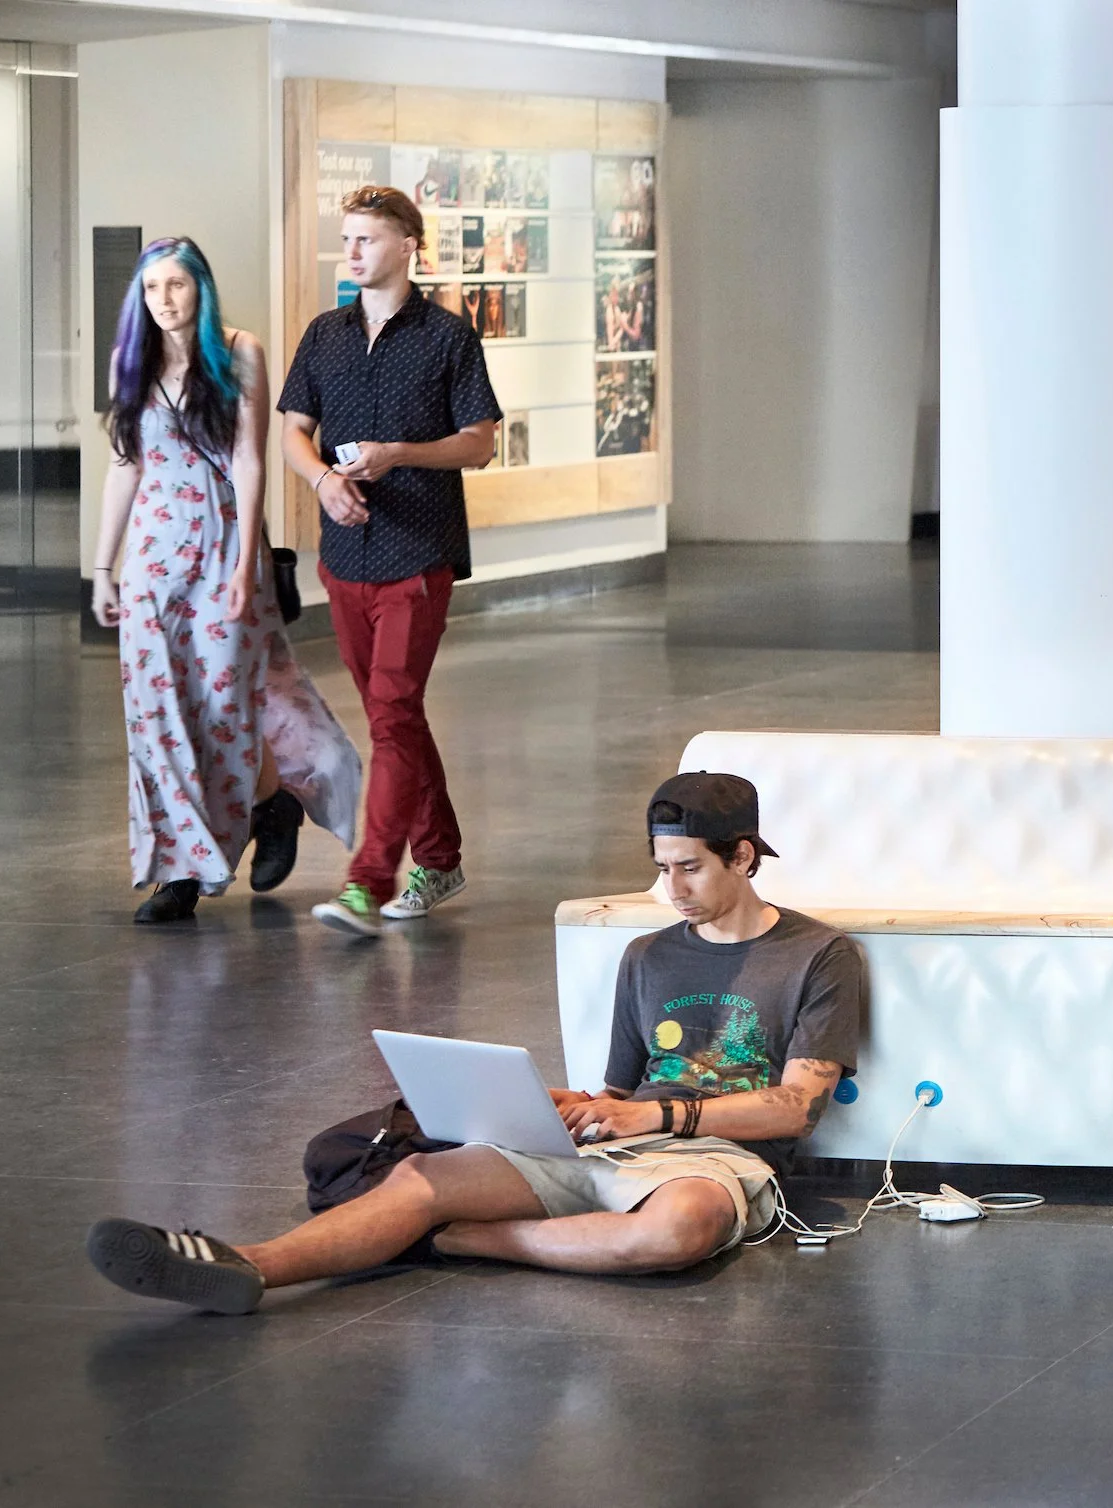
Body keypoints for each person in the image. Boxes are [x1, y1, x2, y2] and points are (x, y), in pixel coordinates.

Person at [84, 773, 865, 1313]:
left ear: (743, 855)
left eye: (690, 869)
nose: (672, 890)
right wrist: (583, 1109)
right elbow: (621, 1095)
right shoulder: (647, 956)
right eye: (662, 870)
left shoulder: (817, 955)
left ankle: (457, 1242)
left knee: (675, 1231)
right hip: (612, 1147)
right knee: (424, 1173)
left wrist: (653, 1123)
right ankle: (244, 1264)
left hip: (719, 1159)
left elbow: (795, 1109)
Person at [88, 236, 360, 923]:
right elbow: (125, 465)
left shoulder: (240, 351)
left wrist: (246, 566)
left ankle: (268, 805)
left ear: (200, 288)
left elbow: (248, 462)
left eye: (176, 286)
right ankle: (181, 868)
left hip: (220, 547)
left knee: (221, 706)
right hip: (152, 555)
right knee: (156, 714)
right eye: (151, 290)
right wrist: (102, 567)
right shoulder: (132, 360)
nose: (164, 301)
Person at [280, 185, 502, 939]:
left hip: (419, 554)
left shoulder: (448, 338)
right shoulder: (324, 335)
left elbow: (479, 441)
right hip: (344, 556)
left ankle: (366, 884)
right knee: (391, 716)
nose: (350, 253)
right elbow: (292, 432)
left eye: (365, 239)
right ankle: (439, 857)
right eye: (345, 239)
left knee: (394, 712)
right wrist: (322, 480)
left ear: (408, 245)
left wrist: (399, 454)